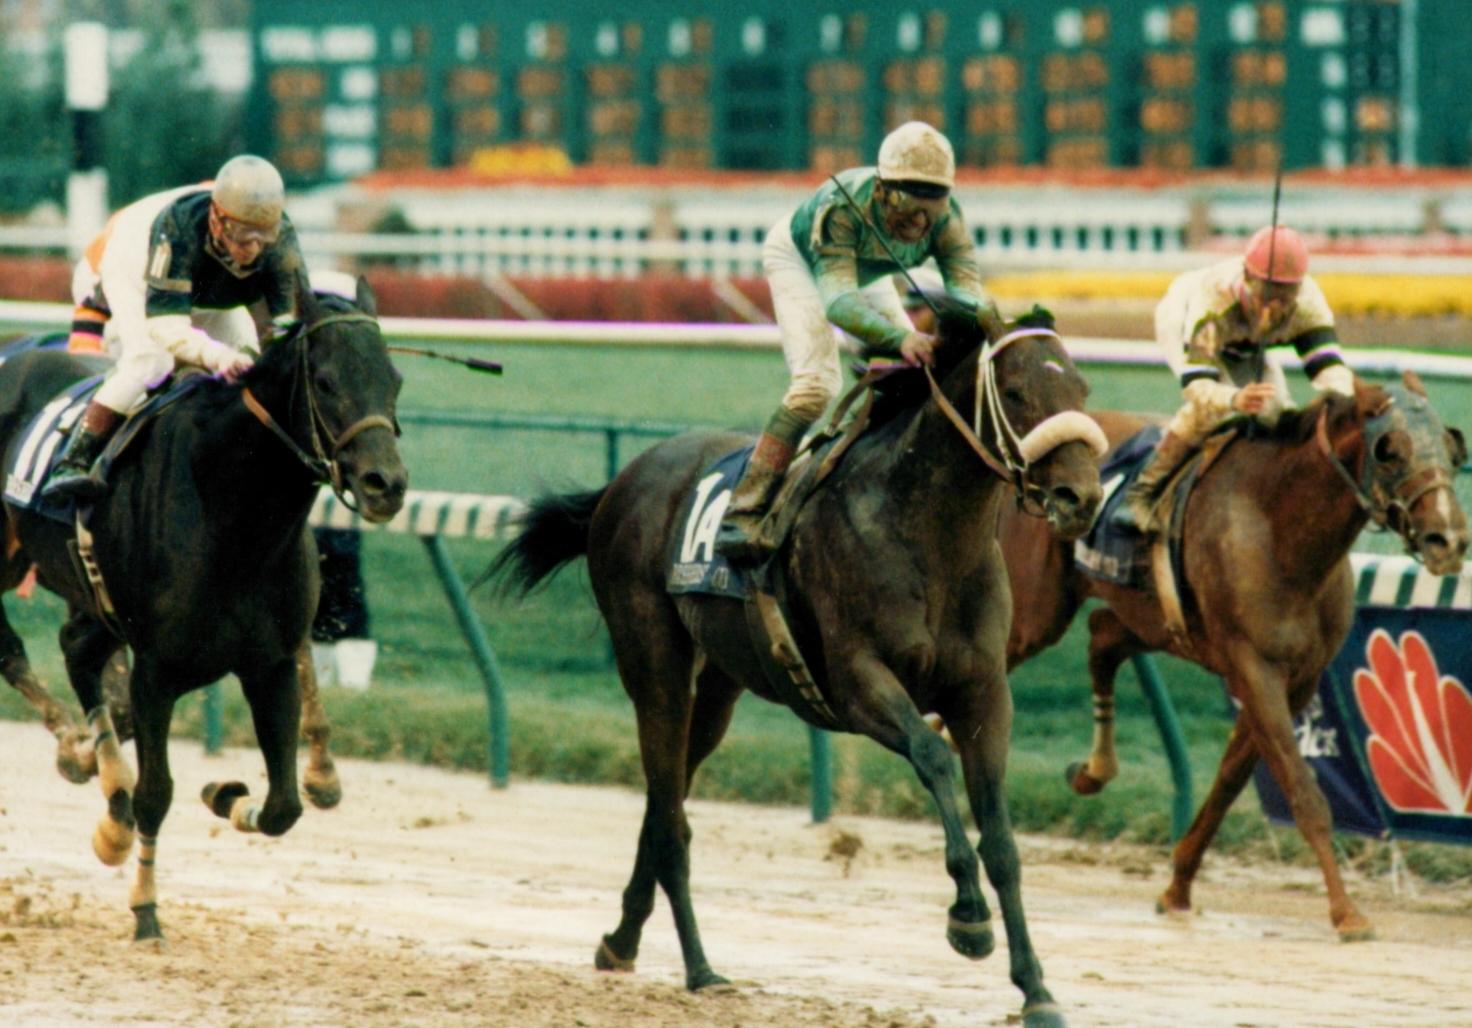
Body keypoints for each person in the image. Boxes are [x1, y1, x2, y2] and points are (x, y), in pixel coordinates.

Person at [714, 120, 1003, 563]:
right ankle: (747, 504)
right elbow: (839, 304)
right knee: (816, 386)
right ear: (884, 190)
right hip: (804, 261)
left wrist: (999, 326)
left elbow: (967, 293)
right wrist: (900, 335)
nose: (922, 222)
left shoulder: (950, 221)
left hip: (869, 269)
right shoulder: (842, 209)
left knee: (917, 366)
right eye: (911, 207)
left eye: (933, 207)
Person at [44, 154, 306, 501]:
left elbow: (290, 330)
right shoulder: (178, 228)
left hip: (203, 284)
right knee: (151, 362)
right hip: (134, 259)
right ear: (217, 220)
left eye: (264, 238)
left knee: (249, 353)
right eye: (243, 236)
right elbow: (167, 328)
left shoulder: (282, 243)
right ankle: (73, 460)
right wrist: (216, 356)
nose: (254, 250)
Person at [1113, 224, 1355, 534]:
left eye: (1285, 297)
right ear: (1247, 278)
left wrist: (1350, 405)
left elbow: (1330, 371)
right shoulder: (1215, 299)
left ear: (1298, 288)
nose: (1274, 308)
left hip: (1248, 342)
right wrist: (1232, 398)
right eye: (1267, 294)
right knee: (1214, 412)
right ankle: (1141, 492)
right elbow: (1197, 385)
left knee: (1278, 413)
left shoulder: (1308, 302)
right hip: (1186, 321)